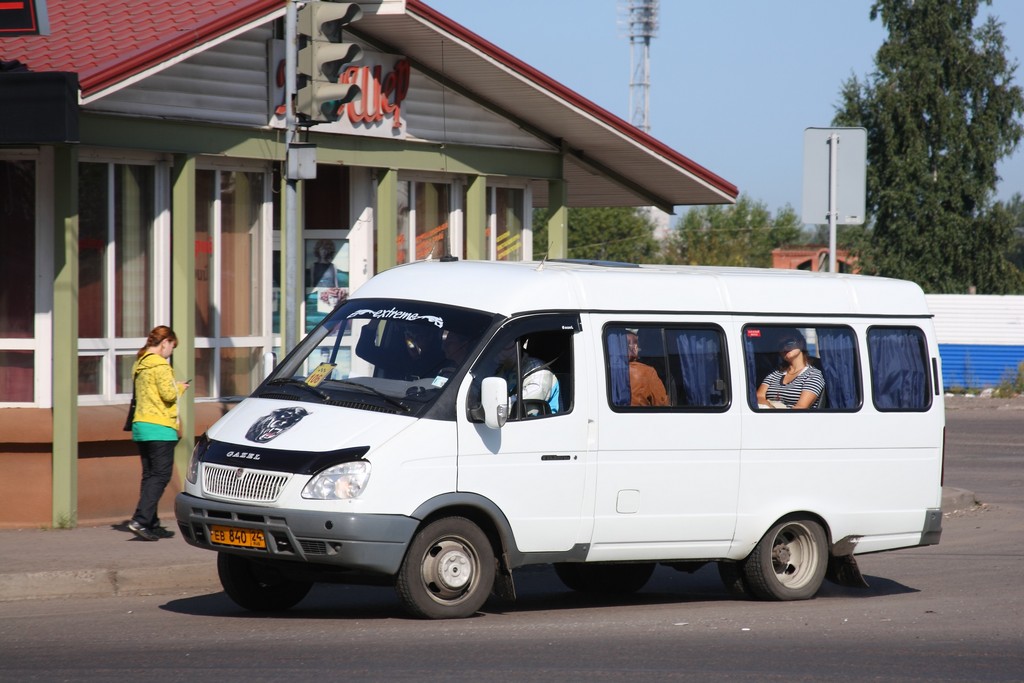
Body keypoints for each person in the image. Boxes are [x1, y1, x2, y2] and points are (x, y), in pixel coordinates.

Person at [127, 326, 189, 541]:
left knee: (149, 476)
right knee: (161, 475)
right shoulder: (161, 366)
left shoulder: (140, 363)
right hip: (160, 427)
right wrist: (180, 387)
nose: (171, 351)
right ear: (165, 342)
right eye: (172, 346)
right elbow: (168, 395)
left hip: (140, 426)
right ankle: (141, 519)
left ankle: (151, 524)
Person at [757, 331, 825, 409]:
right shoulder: (774, 373)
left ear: (801, 343)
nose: (784, 347)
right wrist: (770, 407)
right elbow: (759, 396)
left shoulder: (813, 375)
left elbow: (801, 407)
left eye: (789, 342)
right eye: (780, 345)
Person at [496, 339, 559, 415]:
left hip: (539, 423)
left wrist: (496, 408)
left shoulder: (538, 368)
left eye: (502, 347)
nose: (497, 353)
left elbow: (536, 393)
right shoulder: (502, 370)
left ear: (516, 347)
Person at [626, 331, 669, 406]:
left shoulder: (604, 370)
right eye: (638, 344)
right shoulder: (647, 372)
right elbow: (661, 405)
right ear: (634, 348)